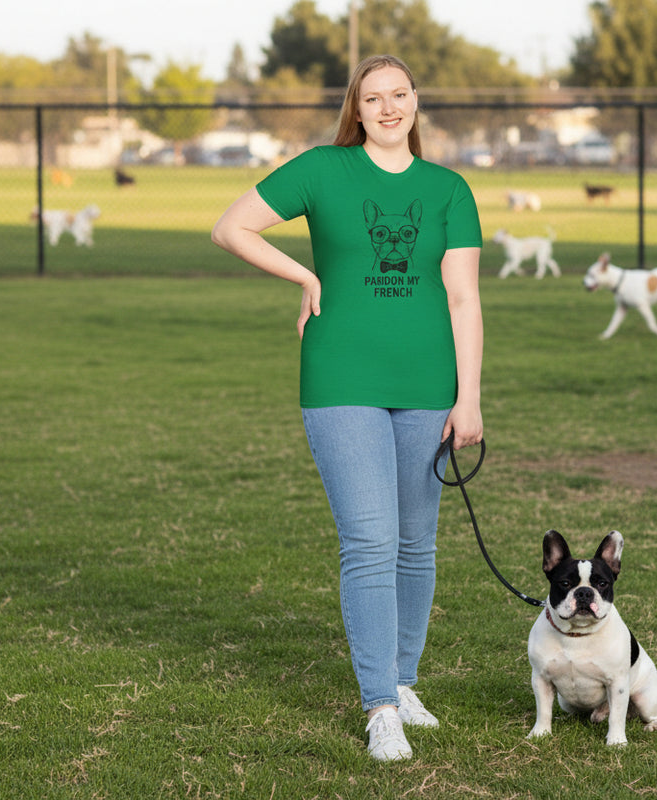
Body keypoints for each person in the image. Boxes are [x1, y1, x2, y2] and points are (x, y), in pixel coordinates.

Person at [211, 54, 484, 762]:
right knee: (370, 540)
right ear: (355, 110)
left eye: (400, 95)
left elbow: (462, 298)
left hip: (428, 384)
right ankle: (381, 707)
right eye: (374, 99)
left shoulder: (449, 188)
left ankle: (406, 678)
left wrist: (470, 397)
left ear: (416, 102)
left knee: (416, 544)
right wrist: (304, 273)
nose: (389, 108)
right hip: (340, 379)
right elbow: (231, 228)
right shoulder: (322, 171)